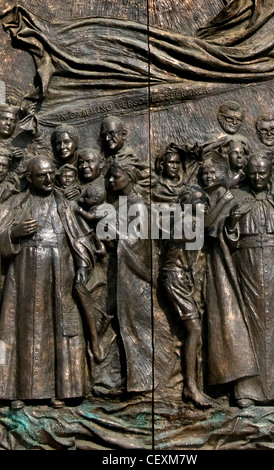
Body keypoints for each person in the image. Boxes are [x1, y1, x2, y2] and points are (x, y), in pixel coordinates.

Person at [0, 155, 95, 410]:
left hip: (59, 273)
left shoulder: (64, 204)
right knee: (20, 331)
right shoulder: (15, 203)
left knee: (62, 330)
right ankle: (17, 391)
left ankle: (62, 391)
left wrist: (83, 266)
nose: (49, 178)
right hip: (24, 276)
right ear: (29, 178)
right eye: (43, 175)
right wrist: (12, 234)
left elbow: (81, 239)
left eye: (52, 173)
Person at [224, 153, 274, 408]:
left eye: (263, 173)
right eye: (253, 173)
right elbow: (226, 240)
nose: (257, 178)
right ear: (247, 172)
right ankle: (247, 390)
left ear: (269, 174)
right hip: (247, 266)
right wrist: (233, 223)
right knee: (246, 324)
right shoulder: (237, 197)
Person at [158, 185, 213, 408]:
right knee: (194, 329)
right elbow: (202, 228)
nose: (203, 206)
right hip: (174, 278)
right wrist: (225, 200)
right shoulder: (184, 222)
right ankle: (190, 387)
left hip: (183, 278)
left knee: (194, 329)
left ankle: (192, 384)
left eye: (204, 202)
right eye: (197, 201)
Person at [103, 160, 153, 394]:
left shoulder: (137, 204)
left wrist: (116, 236)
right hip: (123, 270)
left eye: (115, 176)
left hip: (136, 274)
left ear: (129, 177)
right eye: (109, 177)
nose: (110, 180)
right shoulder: (121, 203)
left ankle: (142, 380)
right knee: (124, 322)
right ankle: (132, 378)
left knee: (136, 325)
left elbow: (140, 240)